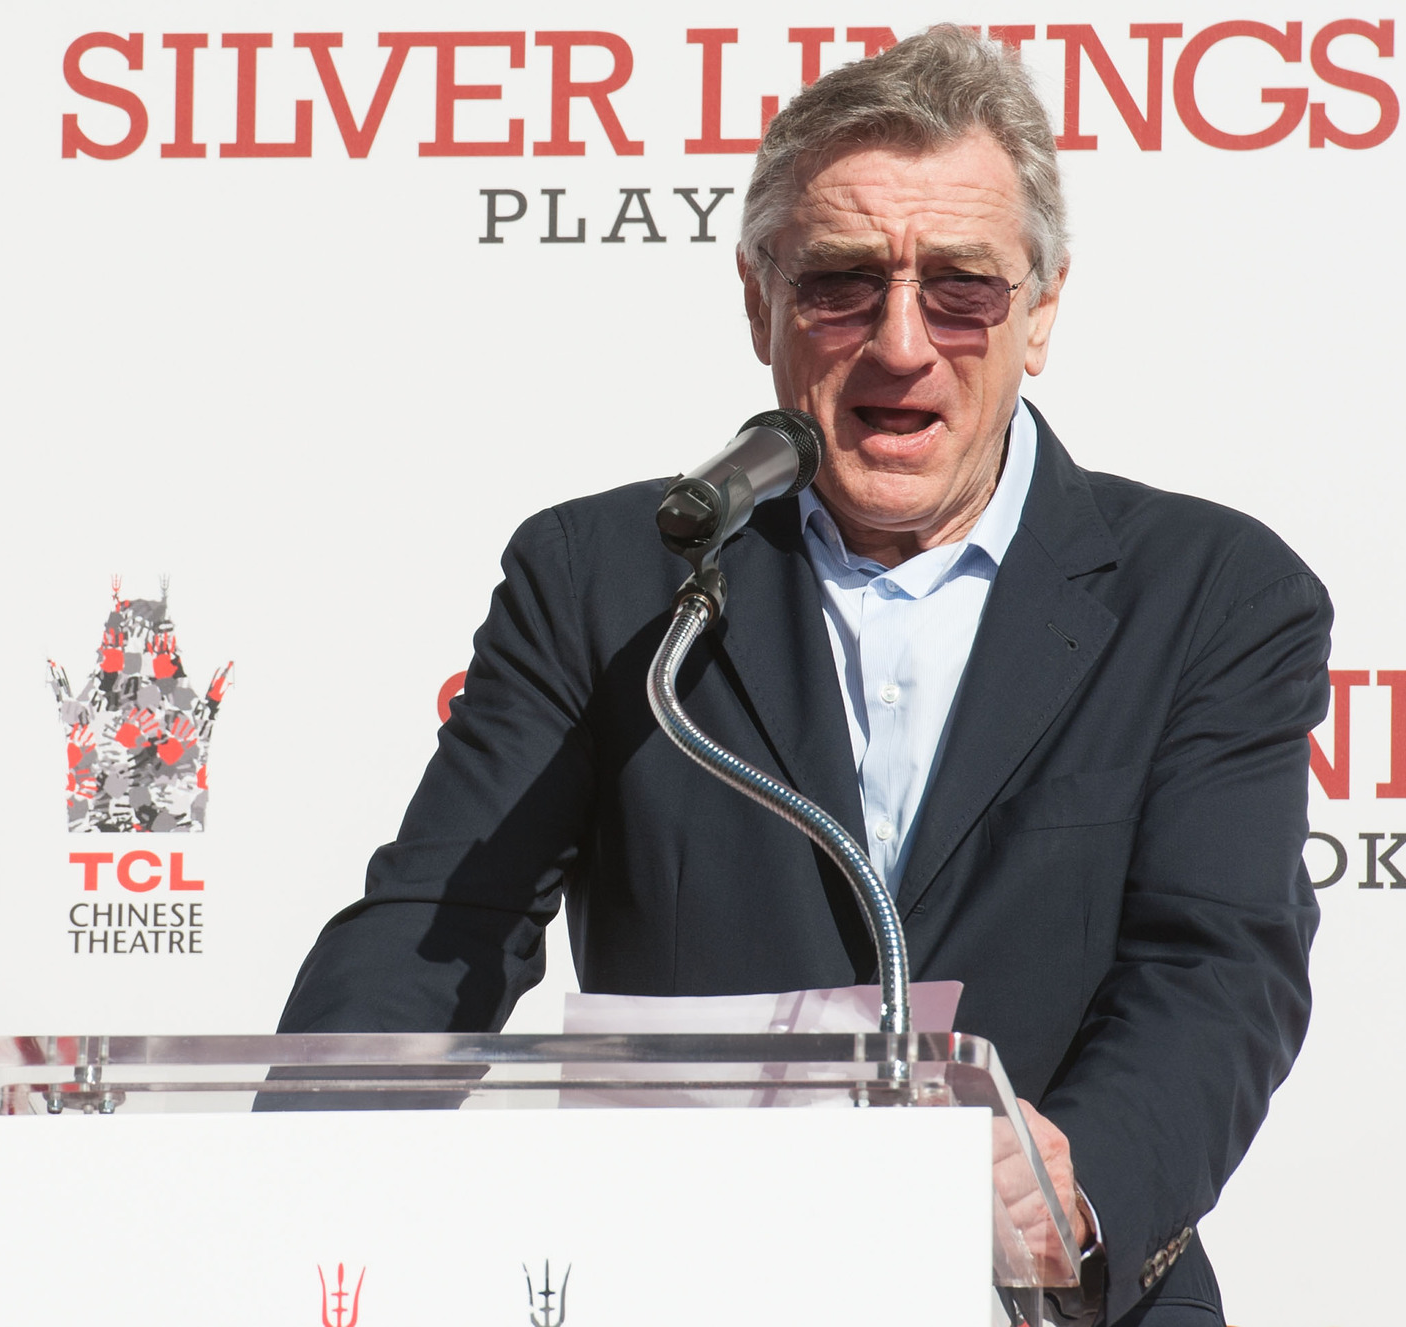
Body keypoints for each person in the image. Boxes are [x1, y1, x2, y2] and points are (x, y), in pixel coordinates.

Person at [279, 25, 1332, 1327]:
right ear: (759, 303)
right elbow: (440, 926)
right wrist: (292, 1168)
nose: (901, 344)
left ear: (1043, 311)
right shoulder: (609, 578)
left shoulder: (1212, 594)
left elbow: (1218, 968)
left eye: (962, 288)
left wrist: (1081, 1180)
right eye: (841, 283)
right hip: (684, 1290)